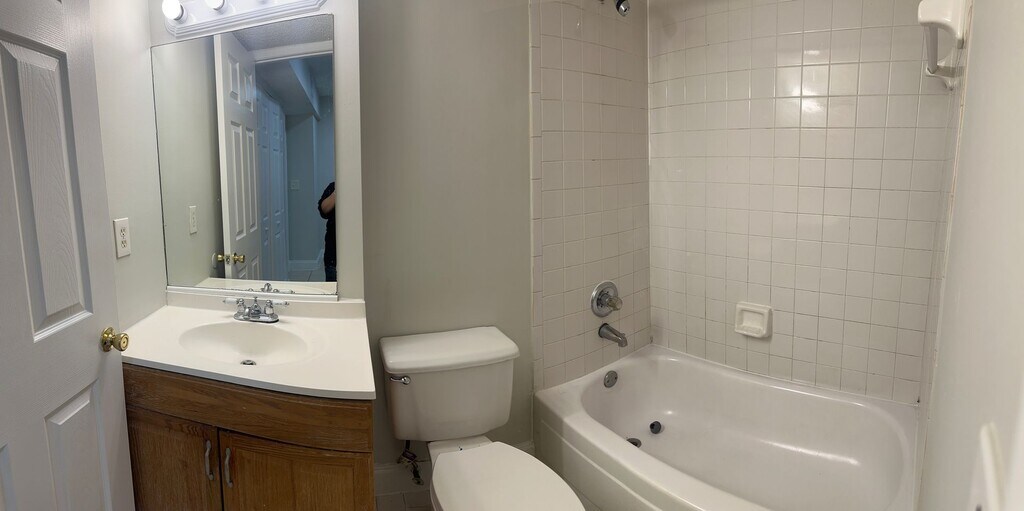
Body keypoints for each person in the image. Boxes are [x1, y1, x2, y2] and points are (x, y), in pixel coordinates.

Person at [317, 182, 337, 282]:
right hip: (333, 253)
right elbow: (323, 210)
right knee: (332, 286)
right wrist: (337, 191)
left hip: (357, 251)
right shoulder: (333, 187)